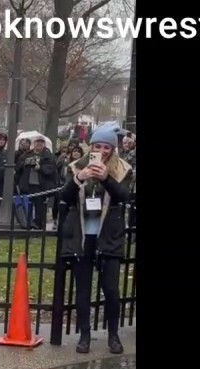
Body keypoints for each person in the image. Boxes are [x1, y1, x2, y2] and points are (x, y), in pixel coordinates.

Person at [59, 124, 134, 354]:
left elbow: (124, 197)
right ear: (90, 147)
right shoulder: (76, 167)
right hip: (83, 236)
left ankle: (113, 335)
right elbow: (64, 197)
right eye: (97, 146)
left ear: (113, 149)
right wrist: (79, 178)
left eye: (106, 147)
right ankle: (84, 336)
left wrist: (106, 179)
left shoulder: (122, 169)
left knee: (111, 289)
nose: (101, 151)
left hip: (108, 236)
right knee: (82, 289)